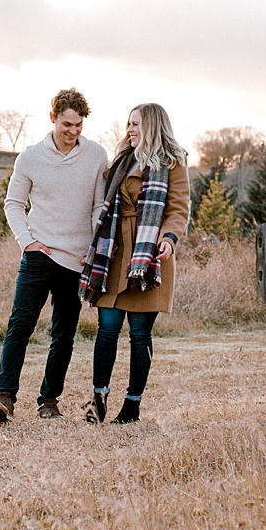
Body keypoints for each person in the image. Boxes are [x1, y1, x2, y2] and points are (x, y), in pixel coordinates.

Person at [0, 87, 110, 422]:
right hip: (39, 255)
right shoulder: (29, 157)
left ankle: (49, 400)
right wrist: (26, 241)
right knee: (20, 326)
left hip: (76, 260)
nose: (72, 132)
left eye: (78, 126)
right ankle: (5, 397)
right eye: (67, 124)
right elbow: (13, 204)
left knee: (64, 334)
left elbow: (100, 206)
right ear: (53, 117)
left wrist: (94, 248)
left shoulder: (97, 155)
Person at [80, 102, 189, 424]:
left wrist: (168, 239)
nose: (129, 130)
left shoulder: (173, 163)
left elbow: (178, 209)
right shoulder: (121, 161)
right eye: (128, 124)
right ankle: (98, 400)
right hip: (113, 253)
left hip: (149, 254)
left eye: (136, 124)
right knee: (107, 328)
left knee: (140, 333)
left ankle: (132, 406)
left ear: (153, 127)